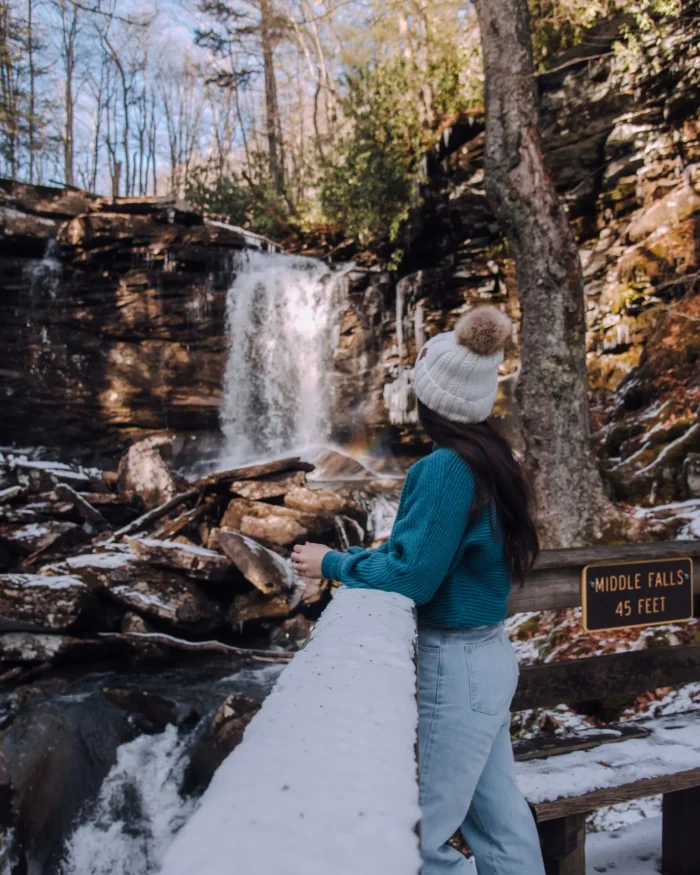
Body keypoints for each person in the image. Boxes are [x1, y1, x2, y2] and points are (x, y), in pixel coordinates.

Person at [291, 305, 546, 875]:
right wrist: (361, 558)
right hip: (489, 657)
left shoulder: (443, 470)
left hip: (455, 669)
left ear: (433, 400)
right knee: (501, 828)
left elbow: (412, 575)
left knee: (416, 841)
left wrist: (333, 562)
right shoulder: (492, 458)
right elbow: (425, 555)